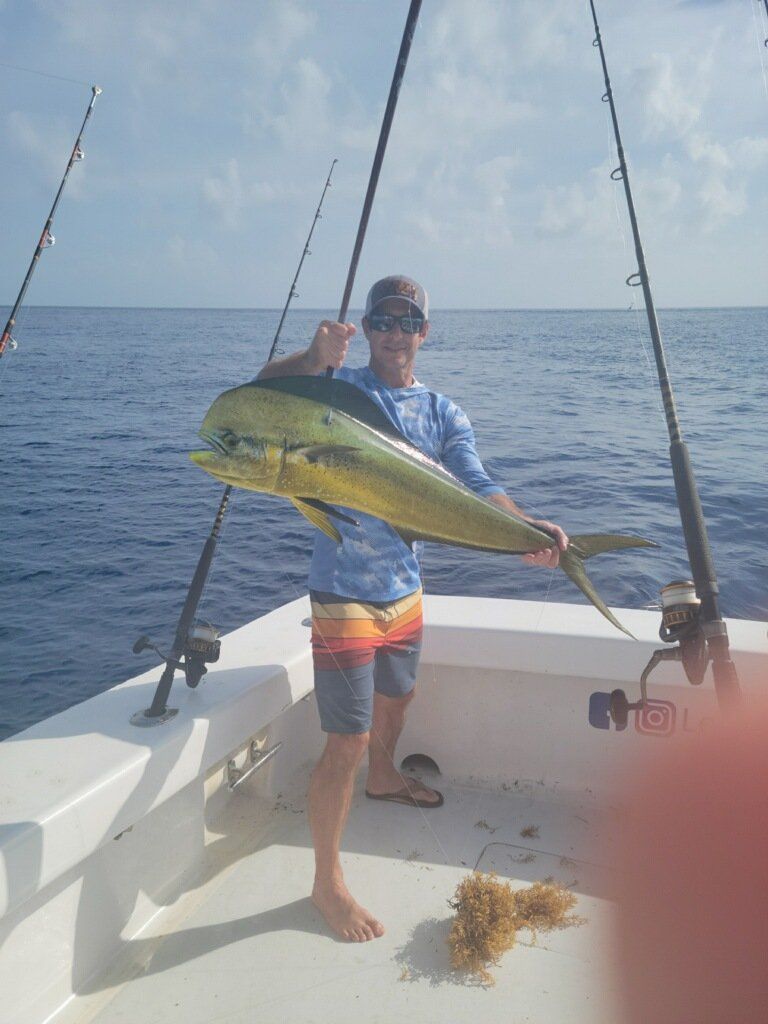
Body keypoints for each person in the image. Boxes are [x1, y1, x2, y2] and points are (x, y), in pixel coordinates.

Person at [257, 274, 568, 942]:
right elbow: (261, 401)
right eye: (382, 321)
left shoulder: (444, 413)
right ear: (366, 330)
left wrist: (530, 529)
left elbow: (478, 485)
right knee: (347, 735)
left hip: (404, 591)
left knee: (399, 700)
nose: (394, 333)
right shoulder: (337, 392)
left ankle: (384, 779)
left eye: (407, 322)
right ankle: (326, 884)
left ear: (425, 332)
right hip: (343, 593)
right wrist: (311, 360)